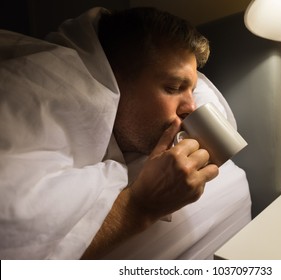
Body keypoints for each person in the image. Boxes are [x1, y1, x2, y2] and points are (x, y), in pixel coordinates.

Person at [0, 7, 219, 259]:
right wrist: (142, 207)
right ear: (113, 78)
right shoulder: (42, 92)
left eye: (191, 90)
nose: (191, 107)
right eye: (173, 87)